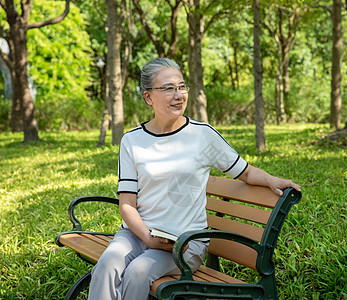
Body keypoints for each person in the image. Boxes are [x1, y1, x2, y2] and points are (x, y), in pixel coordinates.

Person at [88, 57, 301, 300]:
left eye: (181, 86)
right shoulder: (132, 141)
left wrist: (272, 180)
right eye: (168, 88)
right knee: (107, 264)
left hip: (186, 242)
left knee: (138, 271)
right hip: (137, 235)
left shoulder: (203, 135)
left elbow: (245, 171)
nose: (178, 95)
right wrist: (148, 238)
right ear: (148, 97)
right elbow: (127, 204)